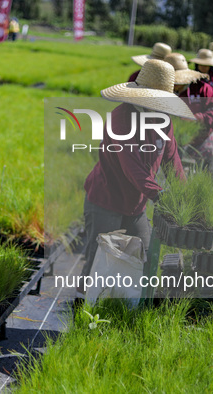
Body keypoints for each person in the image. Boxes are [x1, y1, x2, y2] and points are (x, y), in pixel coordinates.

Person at [81, 59, 194, 284]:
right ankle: (81, 305)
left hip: (136, 204)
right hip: (106, 200)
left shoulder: (164, 123)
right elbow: (133, 168)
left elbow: (173, 162)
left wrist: (186, 197)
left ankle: (128, 305)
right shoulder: (120, 119)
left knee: (145, 257)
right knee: (98, 263)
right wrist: (160, 195)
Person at [164, 53, 213, 176]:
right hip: (172, 146)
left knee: (206, 182)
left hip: (202, 143)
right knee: (174, 182)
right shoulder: (161, 91)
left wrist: (195, 119)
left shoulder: (203, 89)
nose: (174, 84)